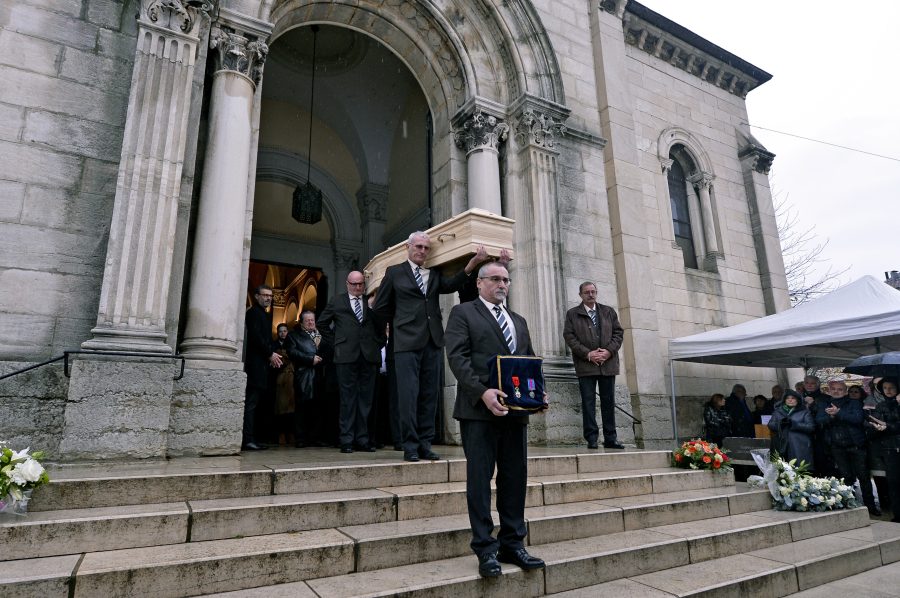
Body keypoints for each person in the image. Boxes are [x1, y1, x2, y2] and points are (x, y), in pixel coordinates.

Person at [444, 261, 546, 578]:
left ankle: (513, 543)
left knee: (514, 479)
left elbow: (527, 361)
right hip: (478, 412)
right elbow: (457, 358)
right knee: (479, 481)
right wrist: (482, 392)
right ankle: (485, 549)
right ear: (480, 282)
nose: (502, 284)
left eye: (506, 279)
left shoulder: (518, 320)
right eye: (495, 279)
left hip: (515, 415)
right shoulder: (464, 313)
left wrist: (538, 393)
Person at [372, 232, 488, 462]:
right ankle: (410, 446)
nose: (422, 251)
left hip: (433, 341)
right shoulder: (394, 272)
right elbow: (380, 308)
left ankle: (425, 443)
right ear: (408, 247)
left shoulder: (433, 274)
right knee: (408, 395)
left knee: (429, 395)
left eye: (426, 248)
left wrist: (473, 263)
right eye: (418, 246)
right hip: (405, 343)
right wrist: (395, 329)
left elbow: (451, 284)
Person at [317, 271, 385, 454]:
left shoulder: (370, 303)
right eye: (354, 284)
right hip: (346, 357)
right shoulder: (337, 301)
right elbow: (322, 324)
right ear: (347, 284)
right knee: (347, 400)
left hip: (369, 357)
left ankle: (362, 439)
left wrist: (378, 343)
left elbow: (381, 327)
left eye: (360, 284)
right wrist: (337, 342)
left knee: (366, 400)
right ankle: (346, 440)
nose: (357, 287)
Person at [562, 281, 625, 449]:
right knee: (588, 403)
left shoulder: (608, 312)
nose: (591, 294)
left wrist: (608, 352)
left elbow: (618, 334)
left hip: (607, 364)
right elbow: (569, 337)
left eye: (593, 291)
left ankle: (611, 438)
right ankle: (591, 438)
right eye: (587, 292)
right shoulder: (573, 314)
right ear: (580, 295)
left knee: (608, 402)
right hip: (586, 365)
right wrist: (588, 354)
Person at [817, 379, 879, 516]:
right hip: (837, 446)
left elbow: (857, 419)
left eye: (840, 389)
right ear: (829, 390)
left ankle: (871, 506)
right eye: (834, 389)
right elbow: (819, 420)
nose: (836, 391)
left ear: (845, 391)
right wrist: (831, 417)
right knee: (846, 478)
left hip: (856, 445)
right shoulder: (824, 404)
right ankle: (851, 504)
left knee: (864, 477)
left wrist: (838, 413)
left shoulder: (854, 402)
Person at [242, 284, 283, 451]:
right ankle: (247, 440)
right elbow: (256, 338)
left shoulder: (264, 315)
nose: (268, 298)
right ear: (257, 296)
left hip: (261, 367)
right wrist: (270, 354)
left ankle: (254, 438)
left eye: (270, 296)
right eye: (265, 295)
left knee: (257, 403)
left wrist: (272, 353)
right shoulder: (253, 313)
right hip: (254, 366)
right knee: (251, 403)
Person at [285, 311, 323, 447]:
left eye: (312, 320)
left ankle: (315, 437)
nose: (311, 323)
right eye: (307, 321)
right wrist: (309, 359)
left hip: (320, 376)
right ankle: (300, 438)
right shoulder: (293, 336)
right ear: (301, 322)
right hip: (303, 375)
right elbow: (292, 352)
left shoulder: (322, 335)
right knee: (302, 407)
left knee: (317, 408)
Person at [869, 378, 900, 522]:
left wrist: (889, 426)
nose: (888, 390)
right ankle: (898, 514)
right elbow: (875, 426)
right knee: (894, 483)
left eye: (892, 387)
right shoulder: (880, 405)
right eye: (885, 387)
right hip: (889, 449)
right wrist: (879, 428)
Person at [768, 390, 815, 469]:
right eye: (787, 398)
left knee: (799, 470)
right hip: (781, 445)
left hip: (798, 446)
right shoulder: (778, 411)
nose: (790, 400)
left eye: (793, 398)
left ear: (797, 400)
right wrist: (780, 424)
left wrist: (794, 424)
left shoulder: (804, 412)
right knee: (781, 471)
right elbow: (770, 424)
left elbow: (811, 427)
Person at [272, 323, 296, 445]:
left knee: (292, 408)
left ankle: (290, 433)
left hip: (292, 379)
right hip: (280, 379)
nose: (283, 333)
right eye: (280, 331)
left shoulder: (292, 343)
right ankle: (281, 434)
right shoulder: (273, 345)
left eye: (285, 331)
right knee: (280, 408)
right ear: (277, 332)